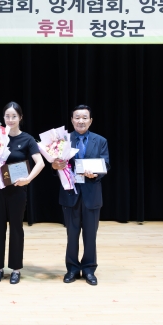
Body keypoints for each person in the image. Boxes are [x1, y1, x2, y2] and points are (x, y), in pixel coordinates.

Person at [51, 105, 110, 286]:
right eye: (77, 117)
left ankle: (89, 269)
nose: (81, 121)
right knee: (72, 234)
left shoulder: (100, 141)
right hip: (70, 193)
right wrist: (55, 166)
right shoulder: (63, 141)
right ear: (72, 120)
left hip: (92, 194)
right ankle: (72, 269)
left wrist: (96, 173)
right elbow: (56, 165)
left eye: (85, 118)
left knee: (90, 235)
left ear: (90, 121)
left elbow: (106, 164)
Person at [0, 102, 44, 284]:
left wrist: (28, 179)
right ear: (3, 118)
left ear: (20, 118)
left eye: (14, 116)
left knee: (16, 228)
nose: (10, 119)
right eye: (7, 116)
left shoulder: (27, 139)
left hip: (18, 190)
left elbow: (40, 163)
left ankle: (16, 269)